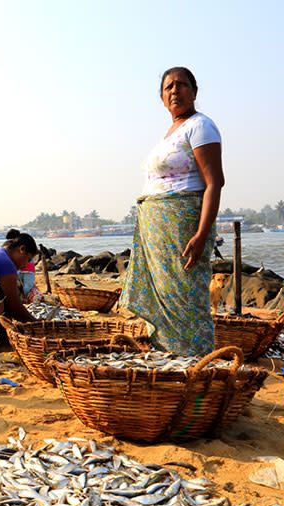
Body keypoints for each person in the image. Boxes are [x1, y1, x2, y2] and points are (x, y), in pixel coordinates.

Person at [119, 66, 224, 356]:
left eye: (181, 85)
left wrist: (202, 233)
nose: (175, 91)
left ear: (194, 91)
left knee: (185, 295)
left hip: (183, 225)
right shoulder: (170, 133)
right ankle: (170, 355)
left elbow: (215, 182)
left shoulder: (201, 126)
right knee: (164, 294)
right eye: (168, 87)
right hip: (158, 229)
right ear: (162, 97)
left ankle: (196, 358)